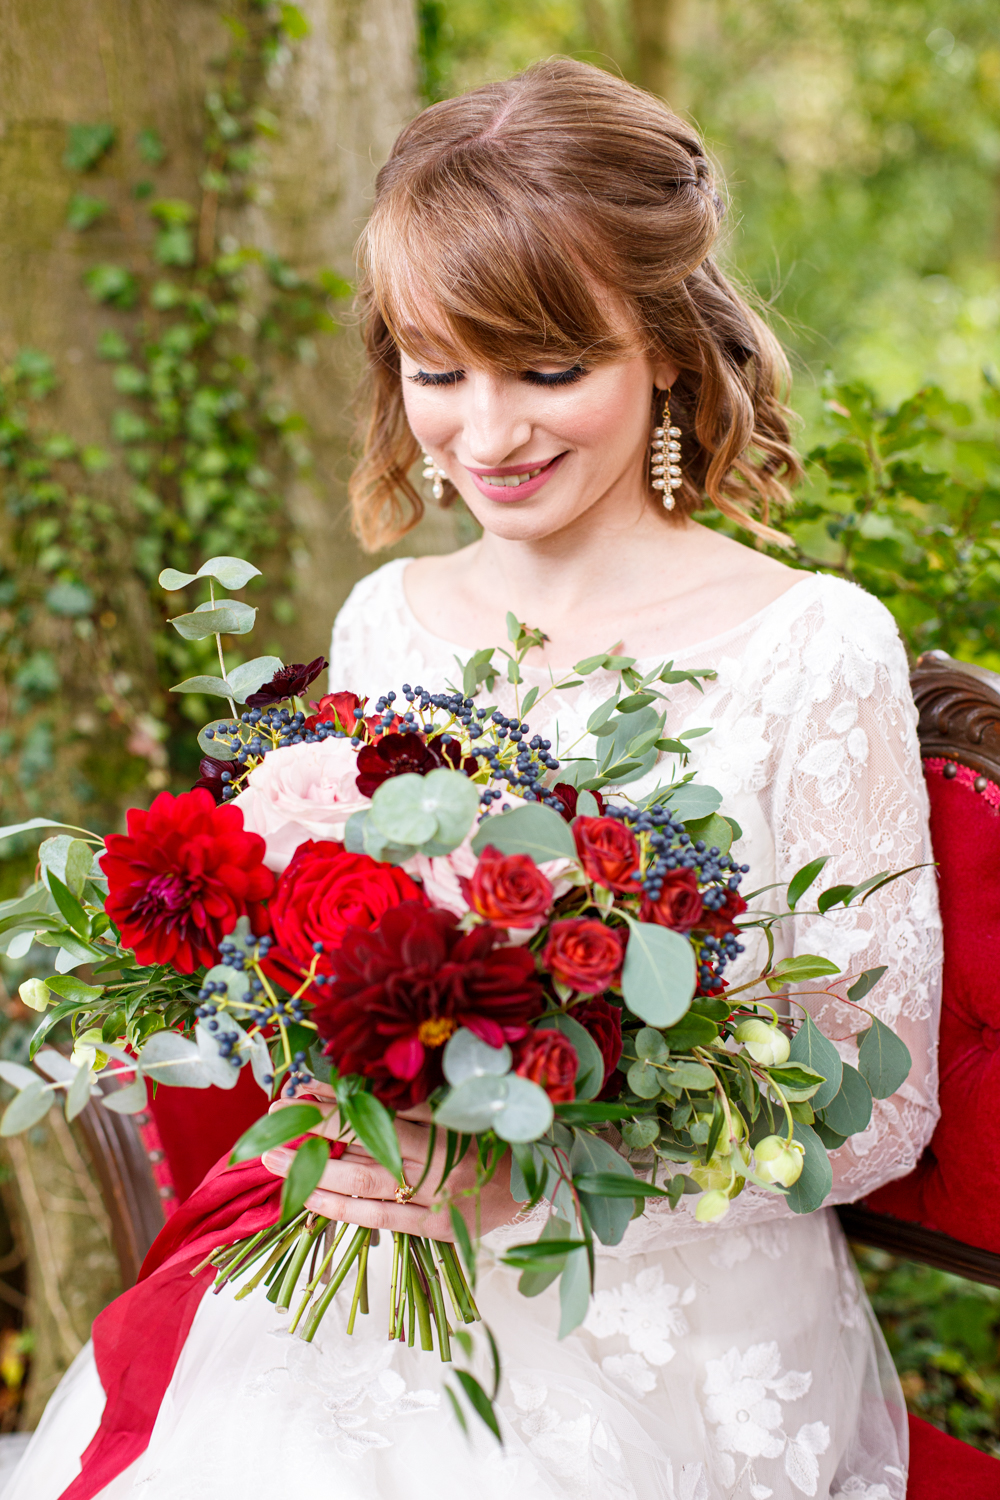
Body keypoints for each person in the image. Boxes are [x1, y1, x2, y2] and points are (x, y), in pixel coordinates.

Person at [7, 59, 940, 1500]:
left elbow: (875, 1111)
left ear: (670, 355)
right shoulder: (391, 620)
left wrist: (526, 1162)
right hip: (393, 1257)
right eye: (439, 371)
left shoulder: (814, 646)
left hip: (667, 1291)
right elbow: (327, 956)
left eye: (549, 371)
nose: (488, 434)